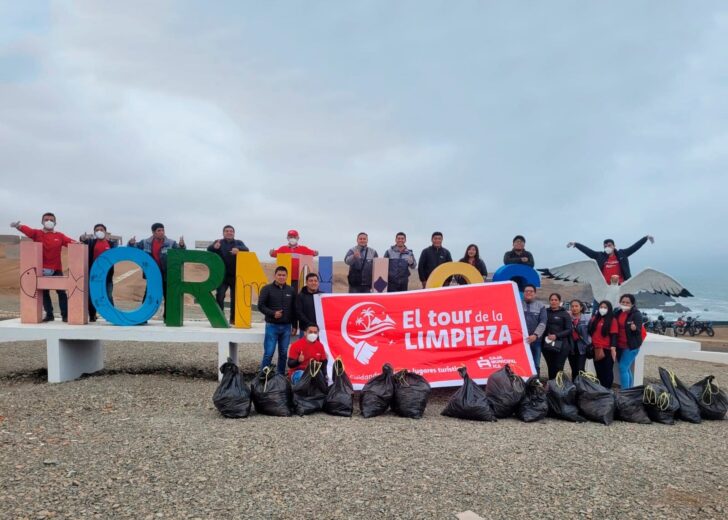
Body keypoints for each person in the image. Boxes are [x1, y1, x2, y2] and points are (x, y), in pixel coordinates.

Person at [11, 213, 76, 322]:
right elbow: (28, 231)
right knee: (44, 293)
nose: (49, 221)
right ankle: (49, 315)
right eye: (46, 219)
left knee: (61, 293)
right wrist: (19, 226)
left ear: (55, 223)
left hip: (56, 269)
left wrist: (79, 242)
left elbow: (70, 242)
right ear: (42, 222)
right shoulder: (37, 233)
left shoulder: (59, 236)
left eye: (51, 219)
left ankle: (66, 315)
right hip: (41, 269)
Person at [128, 223, 186, 319]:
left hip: (166, 274)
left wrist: (182, 245)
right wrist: (130, 243)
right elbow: (133, 249)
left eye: (163, 230)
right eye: (159, 231)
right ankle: (142, 317)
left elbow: (181, 252)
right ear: (153, 232)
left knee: (168, 296)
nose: (161, 232)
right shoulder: (145, 242)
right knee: (148, 296)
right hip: (152, 274)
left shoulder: (171, 243)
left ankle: (168, 318)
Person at [258, 266, 297, 375]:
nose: (281, 277)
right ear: (275, 275)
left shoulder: (291, 290)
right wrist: (273, 313)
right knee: (269, 353)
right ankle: (263, 376)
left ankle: (280, 376)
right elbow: (260, 306)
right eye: (279, 275)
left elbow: (294, 309)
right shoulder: (267, 289)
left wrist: (295, 325)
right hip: (272, 326)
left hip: (286, 327)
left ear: (286, 276)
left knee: (283, 353)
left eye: (283, 275)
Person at [567, 235, 654, 284]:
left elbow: (634, 247)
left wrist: (645, 238)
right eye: (605, 246)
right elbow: (588, 251)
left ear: (614, 246)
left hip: (620, 286)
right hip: (604, 286)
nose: (607, 247)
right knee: (598, 310)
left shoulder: (622, 254)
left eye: (609, 245)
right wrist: (576, 244)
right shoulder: (599, 256)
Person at [207, 225, 249, 323]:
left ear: (234, 233)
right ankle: (220, 317)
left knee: (234, 299)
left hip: (235, 276)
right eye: (227, 231)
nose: (229, 232)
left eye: (231, 231)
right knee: (220, 296)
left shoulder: (239, 242)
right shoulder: (218, 242)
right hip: (222, 276)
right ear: (223, 233)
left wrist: (238, 249)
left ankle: (233, 319)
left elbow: (246, 249)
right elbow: (209, 249)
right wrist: (214, 247)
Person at [79, 224, 118, 322]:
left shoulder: (111, 244)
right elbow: (83, 240)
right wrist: (82, 237)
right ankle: (92, 315)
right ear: (94, 232)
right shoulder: (91, 242)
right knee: (92, 295)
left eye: (101, 229)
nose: (99, 231)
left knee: (108, 295)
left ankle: (111, 315)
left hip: (108, 274)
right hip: (94, 274)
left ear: (105, 232)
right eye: (97, 230)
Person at [613, 293, 644, 389]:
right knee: (626, 368)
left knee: (622, 367)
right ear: (620, 303)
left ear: (632, 304)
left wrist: (635, 329)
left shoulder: (636, 314)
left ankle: (624, 392)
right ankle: (630, 390)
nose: (625, 304)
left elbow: (639, 331)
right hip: (620, 345)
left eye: (627, 302)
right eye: (623, 302)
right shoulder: (618, 313)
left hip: (631, 346)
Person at [542, 293, 573, 380]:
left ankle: (559, 387)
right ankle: (552, 387)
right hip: (547, 343)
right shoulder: (545, 312)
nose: (553, 302)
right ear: (549, 301)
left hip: (562, 344)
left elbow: (569, 330)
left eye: (556, 300)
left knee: (558, 366)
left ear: (559, 301)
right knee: (550, 366)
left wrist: (556, 335)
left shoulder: (564, 314)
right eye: (552, 300)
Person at [588, 300, 618, 388]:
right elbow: (590, 332)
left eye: (605, 307)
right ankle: (600, 390)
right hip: (596, 348)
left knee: (607, 372)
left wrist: (613, 349)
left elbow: (614, 335)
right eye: (601, 307)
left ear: (609, 309)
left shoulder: (612, 320)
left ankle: (607, 390)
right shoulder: (595, 318)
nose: (602, 309)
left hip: (607, 350)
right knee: (598, 371)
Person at [522, 284, 547, 378]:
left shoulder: (540, 306)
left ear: (535, 293)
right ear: (523, 293)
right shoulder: (518, 303)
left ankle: (536, 385)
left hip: (536, 341)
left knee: (535, 364)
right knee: (522, 364)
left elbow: (543, 322)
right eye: (526, 291)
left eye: (531, 291)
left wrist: (535, 335)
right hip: (521, 341)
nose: (529, 293)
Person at [568, 300, 591, 381]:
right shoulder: (568, 318)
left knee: (580, 369)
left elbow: (591, 331)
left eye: (576, 306)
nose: (574, 308)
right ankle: (575, 387)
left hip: (582, 347)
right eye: (572, 306)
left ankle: (582, 386)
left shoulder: (587, 318)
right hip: (571, 347)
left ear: (581, 307)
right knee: (574, 369)